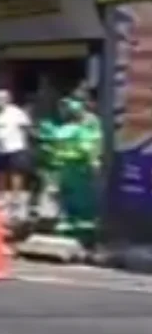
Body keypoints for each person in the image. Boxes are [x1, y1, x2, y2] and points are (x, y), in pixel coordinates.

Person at [50, 98, 101, 240]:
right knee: (82, 197)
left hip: (63, 167)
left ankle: (65, 224)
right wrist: (94, 163)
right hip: (79, 167)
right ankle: (83, 231)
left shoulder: (61, 130)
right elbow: (86, 149)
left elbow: (54, 151)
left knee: (65, 195)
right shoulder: (81, 131)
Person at [0, 89, 32, 221]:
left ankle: (15, 198)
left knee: (16, 173)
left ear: (7, 100)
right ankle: (0, 197)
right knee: (0, 173)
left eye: (1, 99)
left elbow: (26, 126)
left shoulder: (16, 112)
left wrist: (25, 141)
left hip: (15, 147)